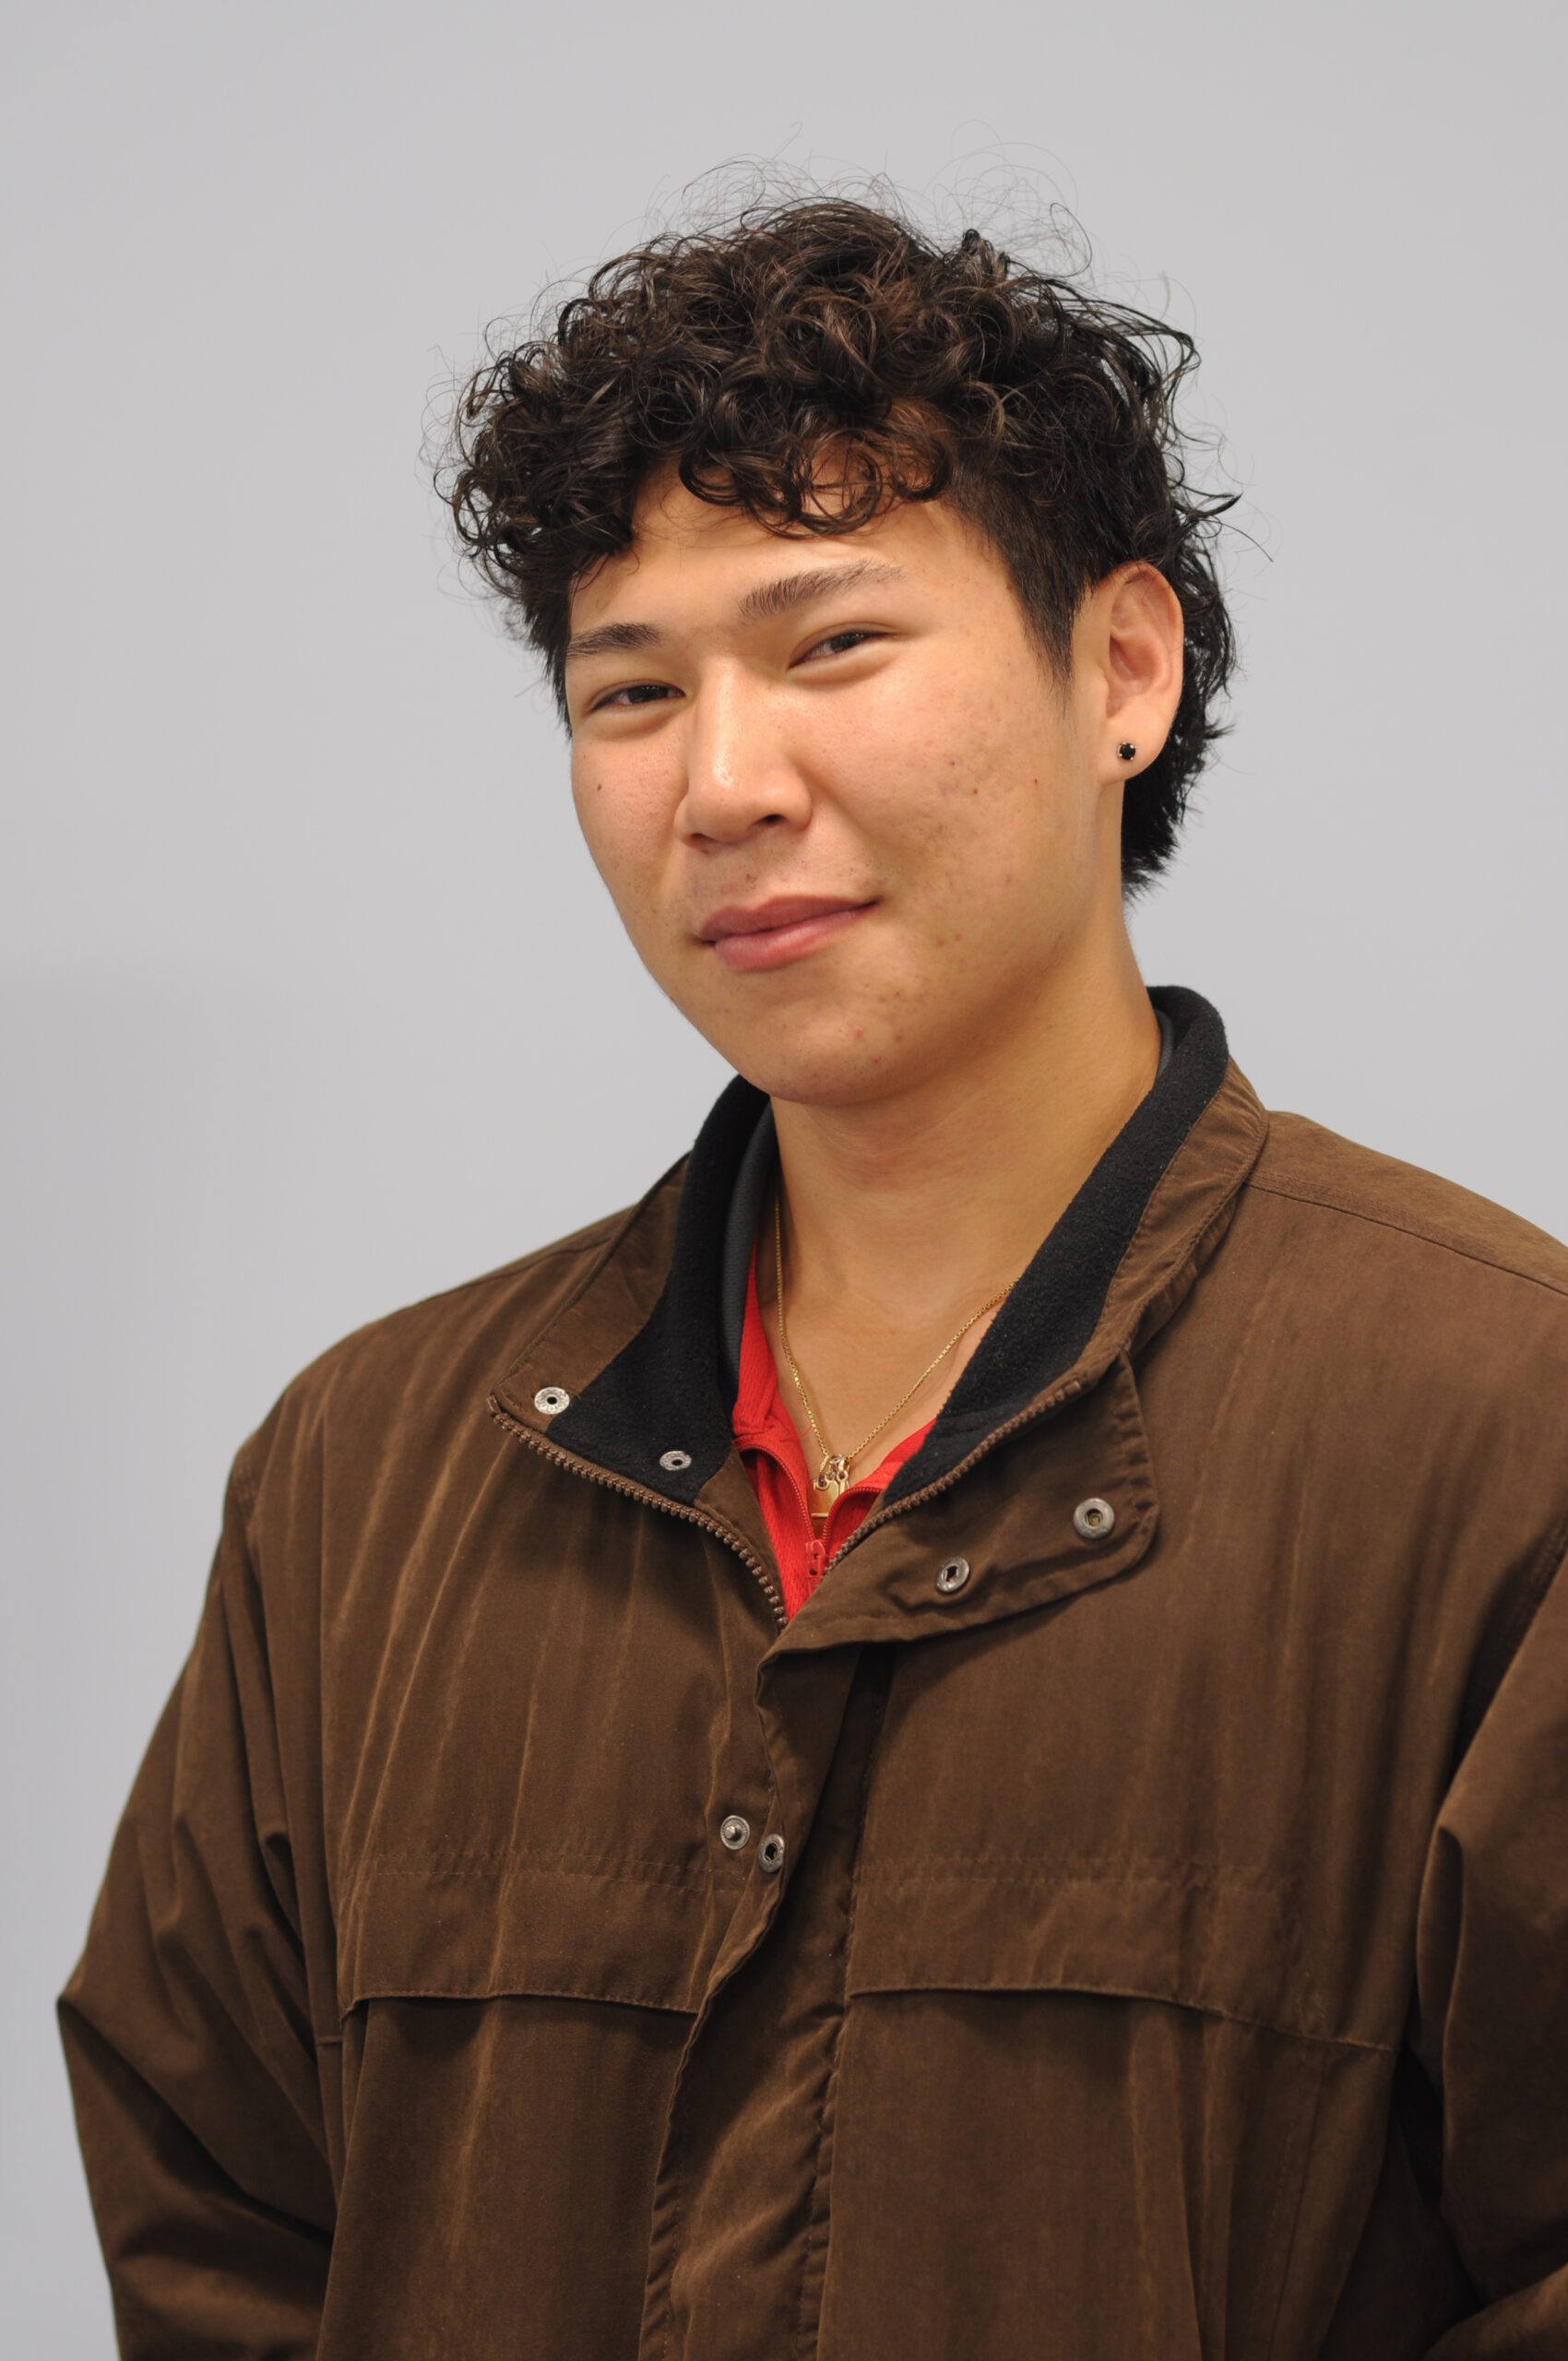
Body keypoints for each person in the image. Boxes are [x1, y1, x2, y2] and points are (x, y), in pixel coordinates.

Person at [59, 193, 1568, 2360]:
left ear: (1118, 668)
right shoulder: (368, 1476)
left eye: (832, 644)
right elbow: (218, 2229)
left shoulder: (1494, 1435)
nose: (724, 784)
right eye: (633, 690)